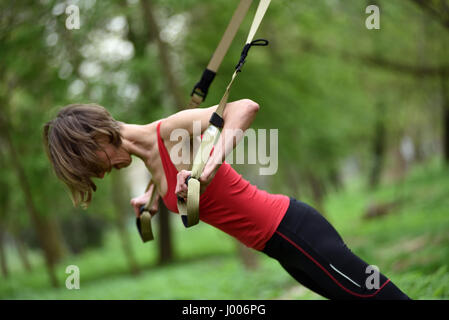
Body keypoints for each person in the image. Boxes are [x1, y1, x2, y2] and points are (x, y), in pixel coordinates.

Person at [43, 100, 410, 300]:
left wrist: (212, 161)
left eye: (95, 163)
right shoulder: (149, 162)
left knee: (373, 297)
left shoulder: (170, 130)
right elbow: (174, 188)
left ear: (101, 137)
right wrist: (151, 203)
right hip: (280, 246)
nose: (100, 174)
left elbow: (245, 108)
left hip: (293, 229)